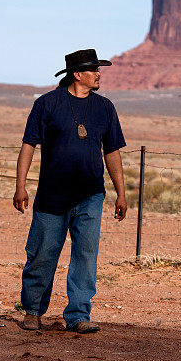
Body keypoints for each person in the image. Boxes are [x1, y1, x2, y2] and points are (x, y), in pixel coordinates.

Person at [14, 49, 127, 333]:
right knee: (42, 253)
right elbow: (29, 145)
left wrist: (121, 193)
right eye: (94, 70)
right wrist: (20, 186)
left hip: (90, 194)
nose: (99, 74)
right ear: (78, 75)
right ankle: (33, 310)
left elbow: (111, 152)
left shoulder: (105, 108)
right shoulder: (47, 104)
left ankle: (78, 316)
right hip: (52, 196)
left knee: (86, 256)